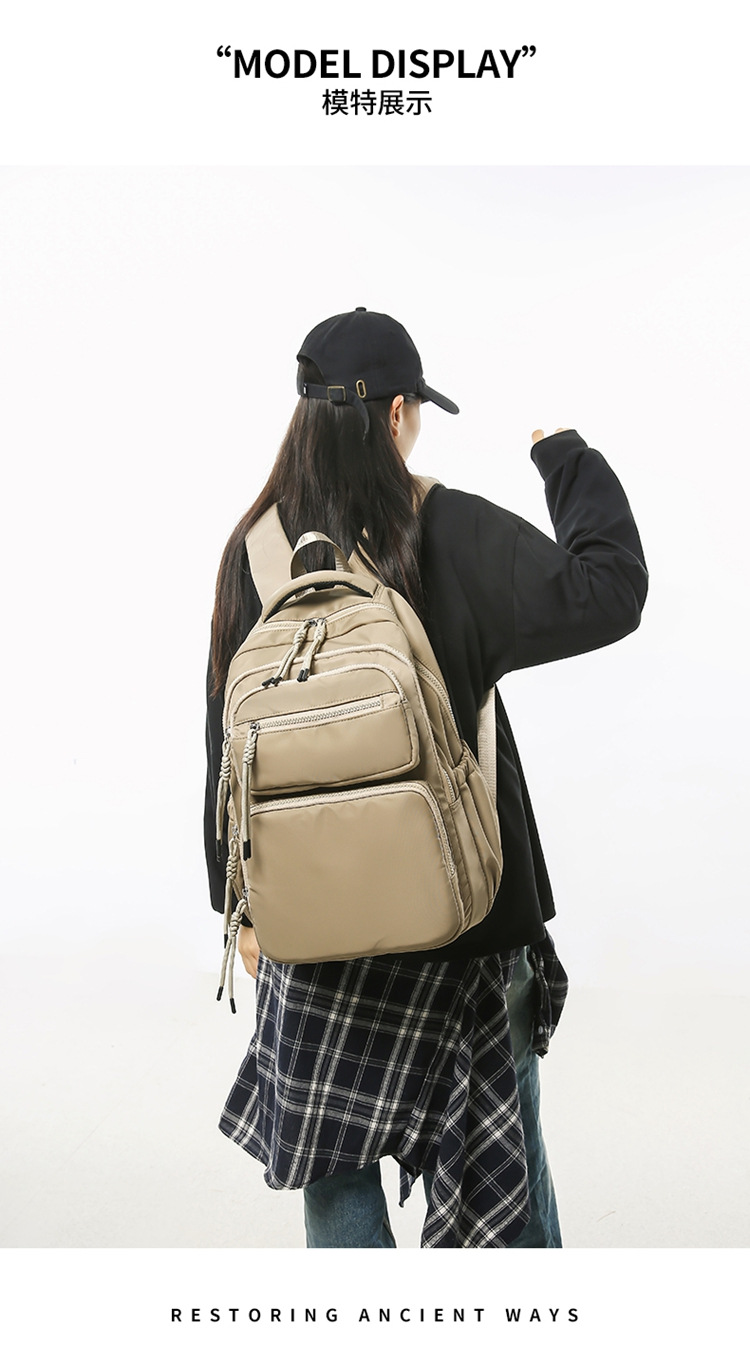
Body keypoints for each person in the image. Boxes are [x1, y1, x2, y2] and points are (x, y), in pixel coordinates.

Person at [204, 306, 648, 1248]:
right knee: (504, 1191)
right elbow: (610, 590)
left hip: (310, 932)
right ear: (399, 412)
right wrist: (564, 457)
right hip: (465, 925)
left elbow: (227, 743)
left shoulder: (256, 553)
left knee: (338, 1189)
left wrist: (238, 909)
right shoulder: (444, 529)